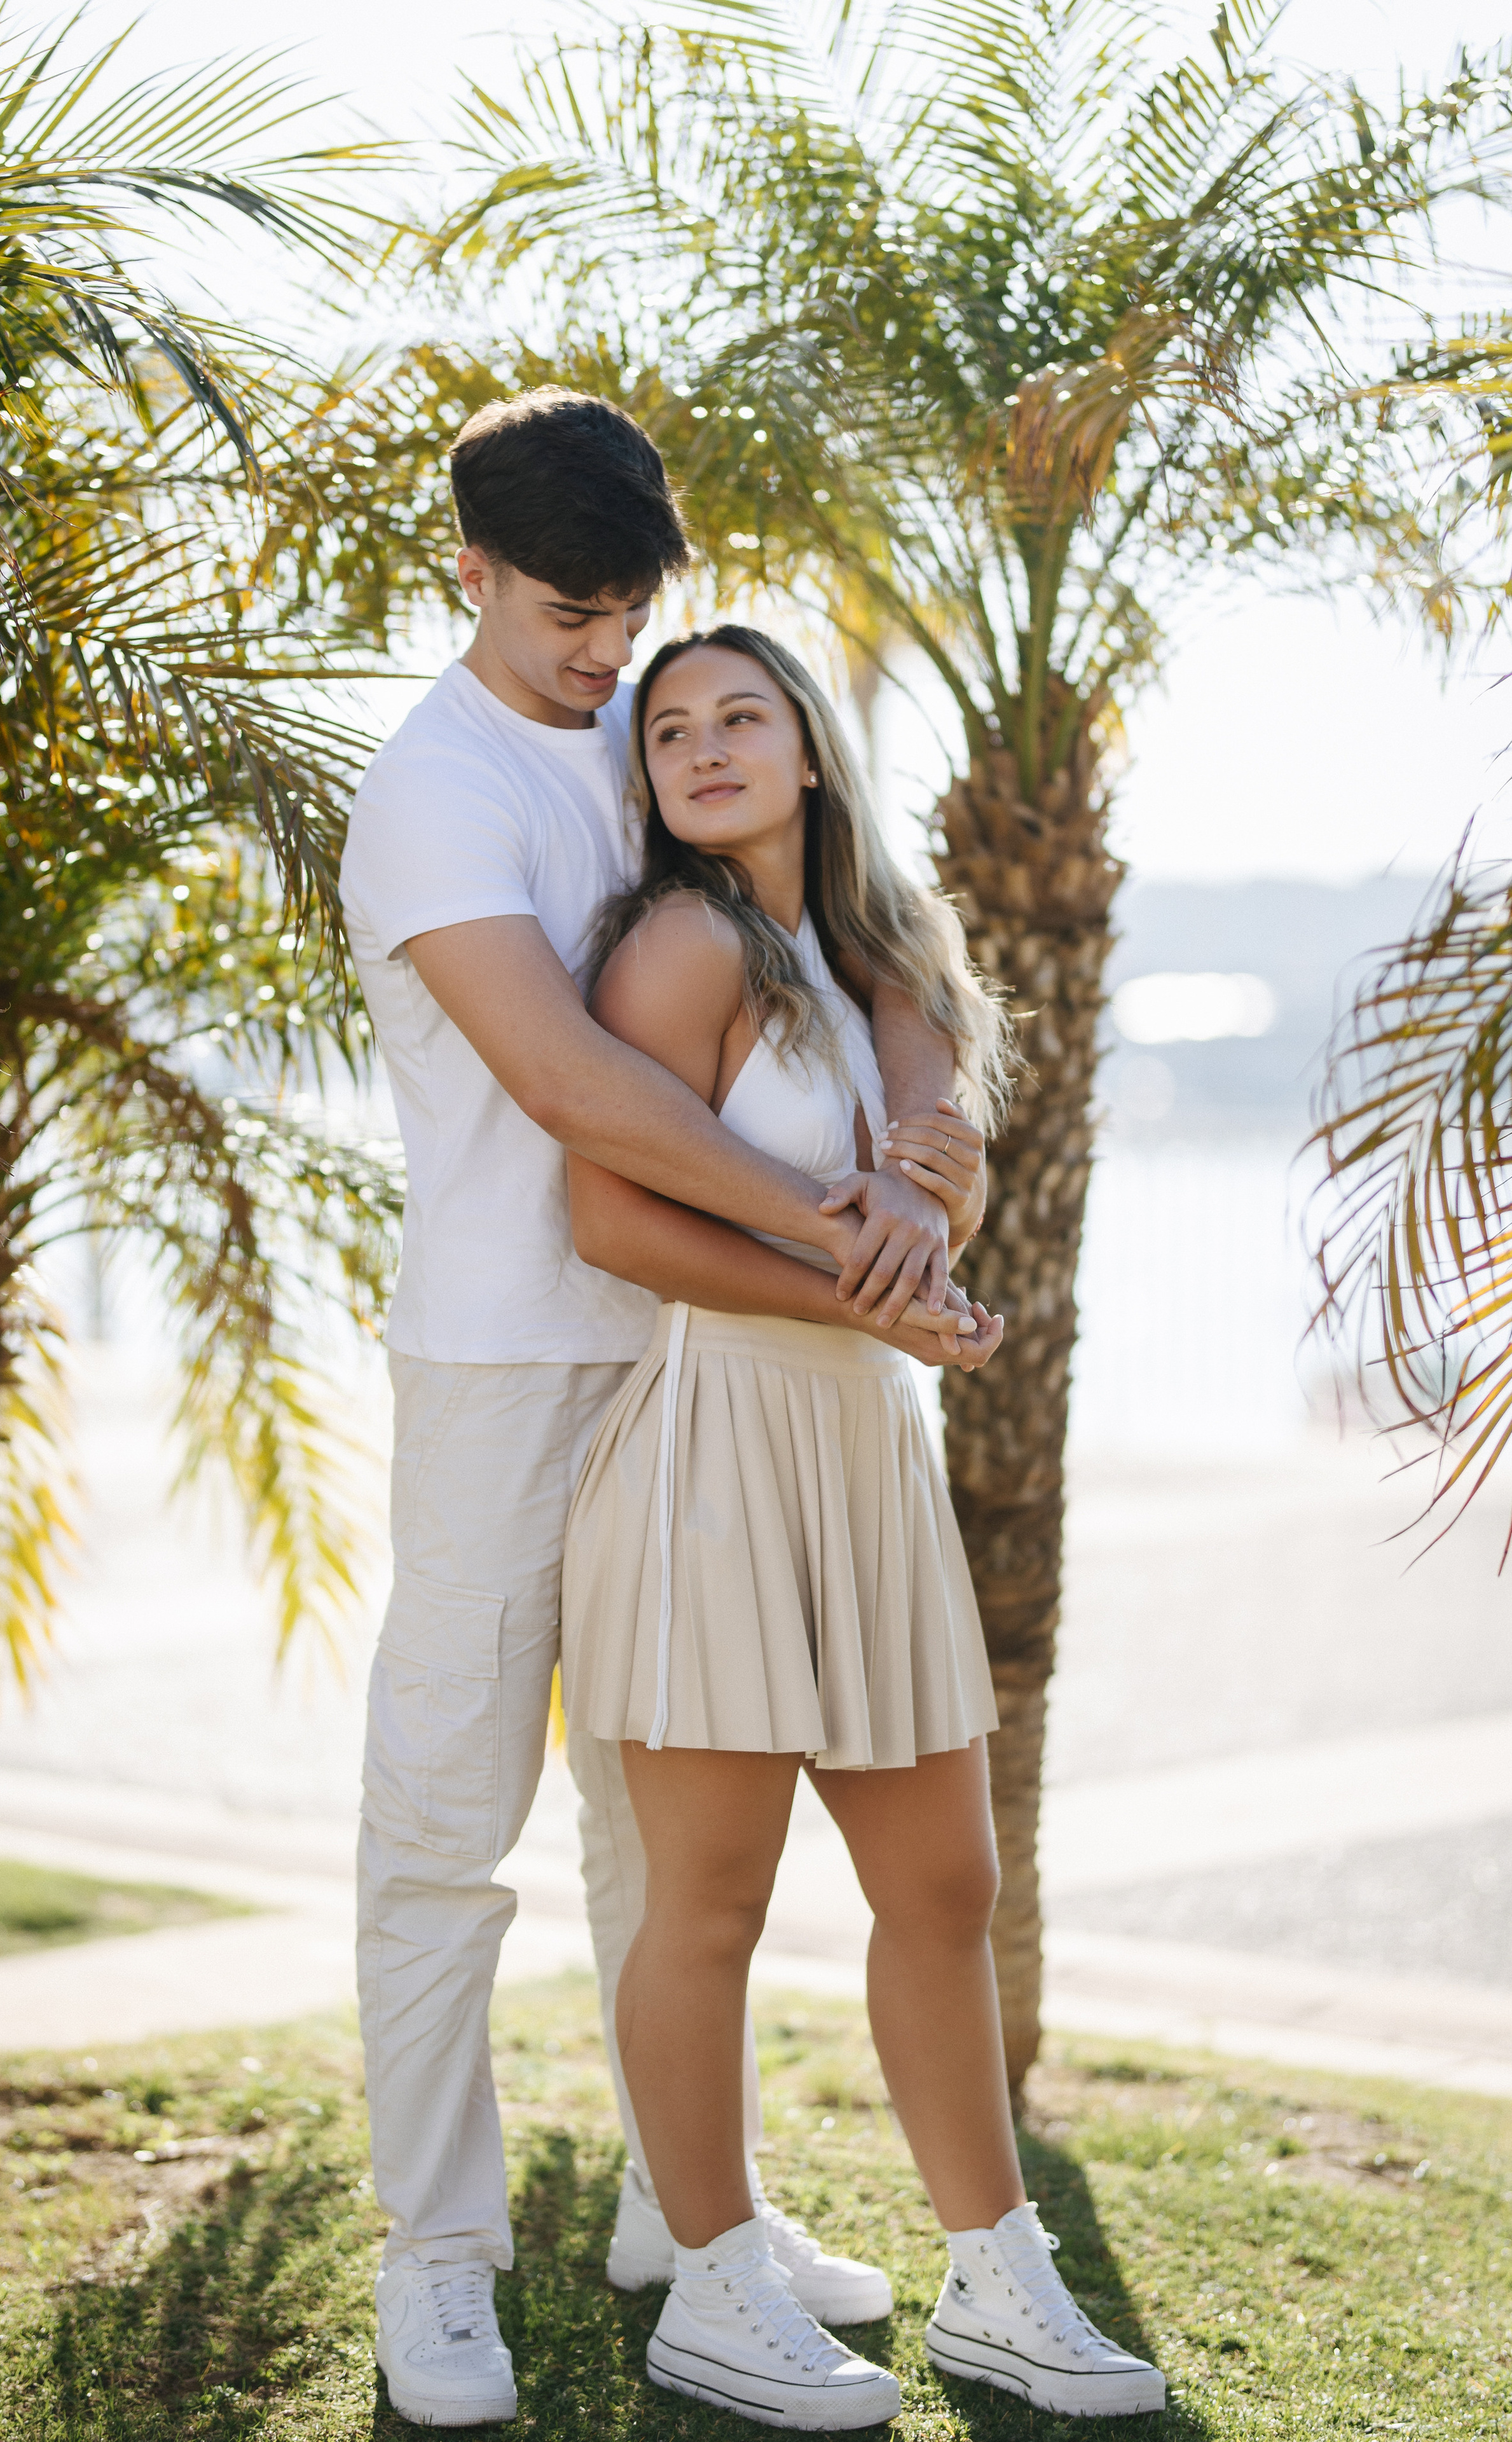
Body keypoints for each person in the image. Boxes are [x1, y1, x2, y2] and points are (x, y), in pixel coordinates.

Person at [339, 389, 998, 2428]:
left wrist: (927, 1146)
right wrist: (851, 1241)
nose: (607, 656)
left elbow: (840, 925)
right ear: (468, 570)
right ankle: (438, 2256)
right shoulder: (434, 792)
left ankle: (680, 2219)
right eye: (564, 617)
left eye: (630, 618)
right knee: (453, 1826)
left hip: (699, 1374)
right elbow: (577, 1093)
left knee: (664, 1842)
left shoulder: (650, 744)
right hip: (504, 1361)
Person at [560, 625, 1169, 2428]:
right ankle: (713, 2285)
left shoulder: (883, 958)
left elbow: (932, 1182)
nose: (703, 746)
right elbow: (610, 1219)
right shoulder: (679, 948)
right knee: (716, 1900)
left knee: (946, 1886)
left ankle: (1000, 2281)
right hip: (716, 1443)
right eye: (669, 729)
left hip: (863, 1451)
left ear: (812, 750)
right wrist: (874, 1290)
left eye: (742, 715)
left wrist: (924, 1236)